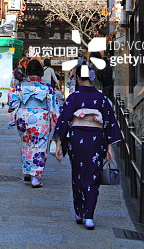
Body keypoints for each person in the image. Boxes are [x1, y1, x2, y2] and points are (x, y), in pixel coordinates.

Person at [53, 61, 121, 229]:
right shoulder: (102, 98)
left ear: (77, 78)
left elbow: (64, 121)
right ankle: (89, 216)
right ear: (91, 77)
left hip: (77, 139)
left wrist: (59, 144)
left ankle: (79, 211)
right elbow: (109, 123)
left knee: (77, 174)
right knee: (93, 176)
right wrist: (109, 147)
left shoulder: (74, 97)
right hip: (97, 140)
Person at [8, 59, 59, 187]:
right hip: (40, 118)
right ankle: (35, 178)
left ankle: (27, 171)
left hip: (23, 117)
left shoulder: (20, 86)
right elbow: (54, 105)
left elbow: (12, 101)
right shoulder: (46, 87)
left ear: (28, 71)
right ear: (40, 72)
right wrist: (56, 120)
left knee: (26, 143)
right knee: (39, 146)